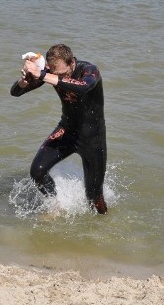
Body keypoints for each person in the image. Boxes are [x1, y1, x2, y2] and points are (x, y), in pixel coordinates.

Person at [10, 44, 108, 214]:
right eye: (56, 74)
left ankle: (104, 226)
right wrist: (26, 80)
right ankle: (55, 205)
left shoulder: (90, 71)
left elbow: (83, 86)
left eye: (64, 74)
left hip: (93, 138)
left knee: (93, 198)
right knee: (37, 172)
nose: (61, 78)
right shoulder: (51, 72)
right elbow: (15, 93)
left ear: (72, 63)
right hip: (67, 131)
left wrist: (42, 74)